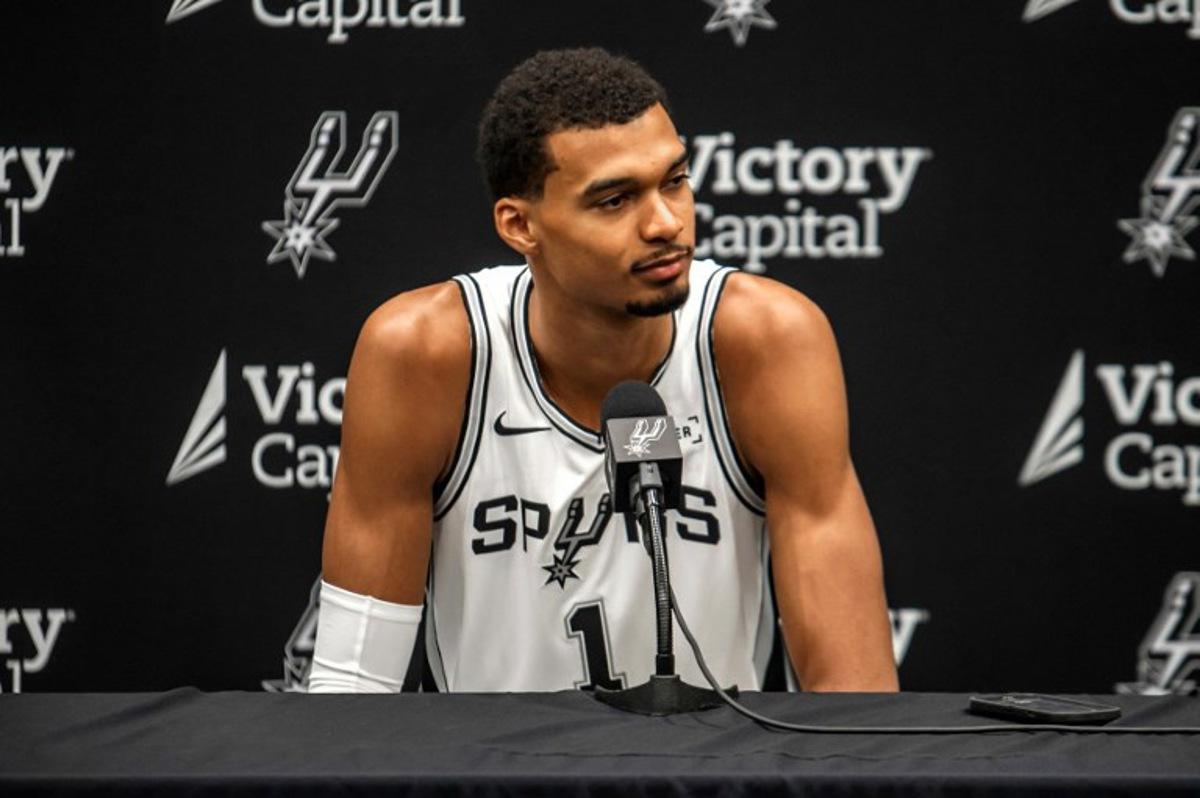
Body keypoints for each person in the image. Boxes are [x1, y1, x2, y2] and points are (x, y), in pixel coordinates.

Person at [308, 47, 898, 694]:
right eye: (615, 200)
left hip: (714, 756)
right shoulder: (426, 352)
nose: (666, 223)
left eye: (675, 180)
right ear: (519, 224)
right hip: (488, 758)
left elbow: (854, 699)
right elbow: (351, 692)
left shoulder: (764, 339)